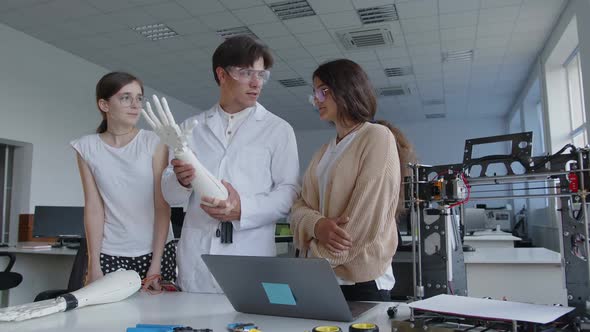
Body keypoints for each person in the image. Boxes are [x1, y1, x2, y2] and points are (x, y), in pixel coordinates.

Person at [161, 36, 300, 293]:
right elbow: (169, 194)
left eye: (261, 74)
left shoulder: (278, 130)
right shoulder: (192, 129)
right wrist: (180, 181)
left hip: (251, 252)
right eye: (246, 73)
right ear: (222, 75)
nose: (256, 82)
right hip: (198, 257)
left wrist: (242, 210)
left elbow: (289, 192)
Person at [290, 59, 402, 302]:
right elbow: (298, 208)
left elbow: (363, 221)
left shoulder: (377, 137)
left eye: (323, 91)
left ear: (348, 89)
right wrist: (317, 225)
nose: (316, 99)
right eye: (314, 93)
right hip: (322, 279)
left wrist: (312, 256)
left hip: (362, 282)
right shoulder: (324, 151)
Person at [71, 72, 175, 290]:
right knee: (108, 321)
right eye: (125, 98)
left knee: (156, 319)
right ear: (104, 104)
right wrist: (94, 264)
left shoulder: (154, 141)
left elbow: (161, 205)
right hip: (110, 251)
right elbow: (94, 208)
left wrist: (156, 264)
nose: (135, 105)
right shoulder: (86, 147)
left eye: (139, 98)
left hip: (154, 250)